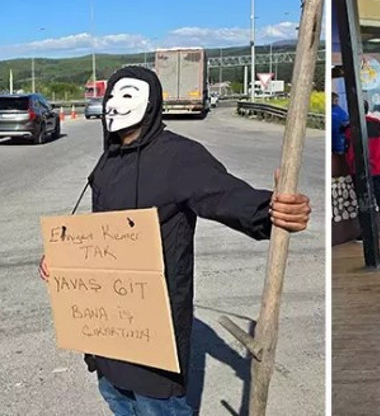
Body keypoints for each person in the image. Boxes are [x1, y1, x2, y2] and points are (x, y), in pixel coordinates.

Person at [38, 67, 311, 414]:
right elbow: (101, 234)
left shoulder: (180, 157)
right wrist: (62, 259)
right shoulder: (109, 159)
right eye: (112, 96)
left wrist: (272, 210)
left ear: (151, 104)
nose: (114, 105)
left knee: (157, 406)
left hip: (155, 336)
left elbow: (226, 196)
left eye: (128, 95)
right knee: (115, 396)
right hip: (107, 336)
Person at [346, 100, 380, 240]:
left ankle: (366, 233)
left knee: (364, 202)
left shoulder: (350, 128)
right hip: (378, 168)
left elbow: (348, 152)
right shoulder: (378, 125)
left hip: (360, 170)